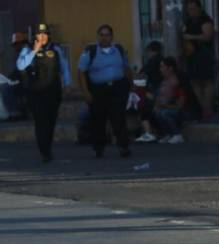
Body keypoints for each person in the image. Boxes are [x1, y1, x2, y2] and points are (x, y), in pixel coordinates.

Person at [16, 24, 71, 162]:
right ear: (35, 36)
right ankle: (44, 152)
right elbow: (20, 65)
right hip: (36, 93)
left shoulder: (56, 49)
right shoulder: (27, 49)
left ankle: (48, 147)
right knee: (41, 122)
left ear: (48, 35)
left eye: (44, 34)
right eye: (39, 34)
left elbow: (64, 67)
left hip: (53, 92)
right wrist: (34, 51)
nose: (41, 37)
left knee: (51, 122)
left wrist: (68, 84)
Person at [78, 24, 133, 158]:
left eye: (107, 35)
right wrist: (86, 91)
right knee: (98, 120)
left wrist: (131, 87)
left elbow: (126, 68)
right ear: (98, 36)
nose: (104, 38)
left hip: (117, 88)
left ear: (112, 37)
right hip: (98, 90)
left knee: (119, 118)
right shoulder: (90, 51)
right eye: (101, 35)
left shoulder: (119, 50)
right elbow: (81, 72)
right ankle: (99, 148)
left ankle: (123, 146)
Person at [182, 0, 216, 118]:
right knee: (194, 82)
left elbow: (207, 37)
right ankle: (202, 107)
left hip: (204, 54)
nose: (191, 12)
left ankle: (208, 106)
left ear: (199, 8)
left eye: (193, 9)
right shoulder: (188, 21)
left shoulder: (205, 20)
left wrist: (190, 37)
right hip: (192, 55)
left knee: (207, 81)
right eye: (189, 9)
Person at [151, 57, 186, 144]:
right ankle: (168, 134)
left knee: (164, 113)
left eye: (162, 67)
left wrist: (165, 106)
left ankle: (177, 134)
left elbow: (181, 103)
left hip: (182, 111)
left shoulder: (176, 81)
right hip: (168, 107)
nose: (160, 69)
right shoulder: (164, 81)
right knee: (157, 112)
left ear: (170, 68)